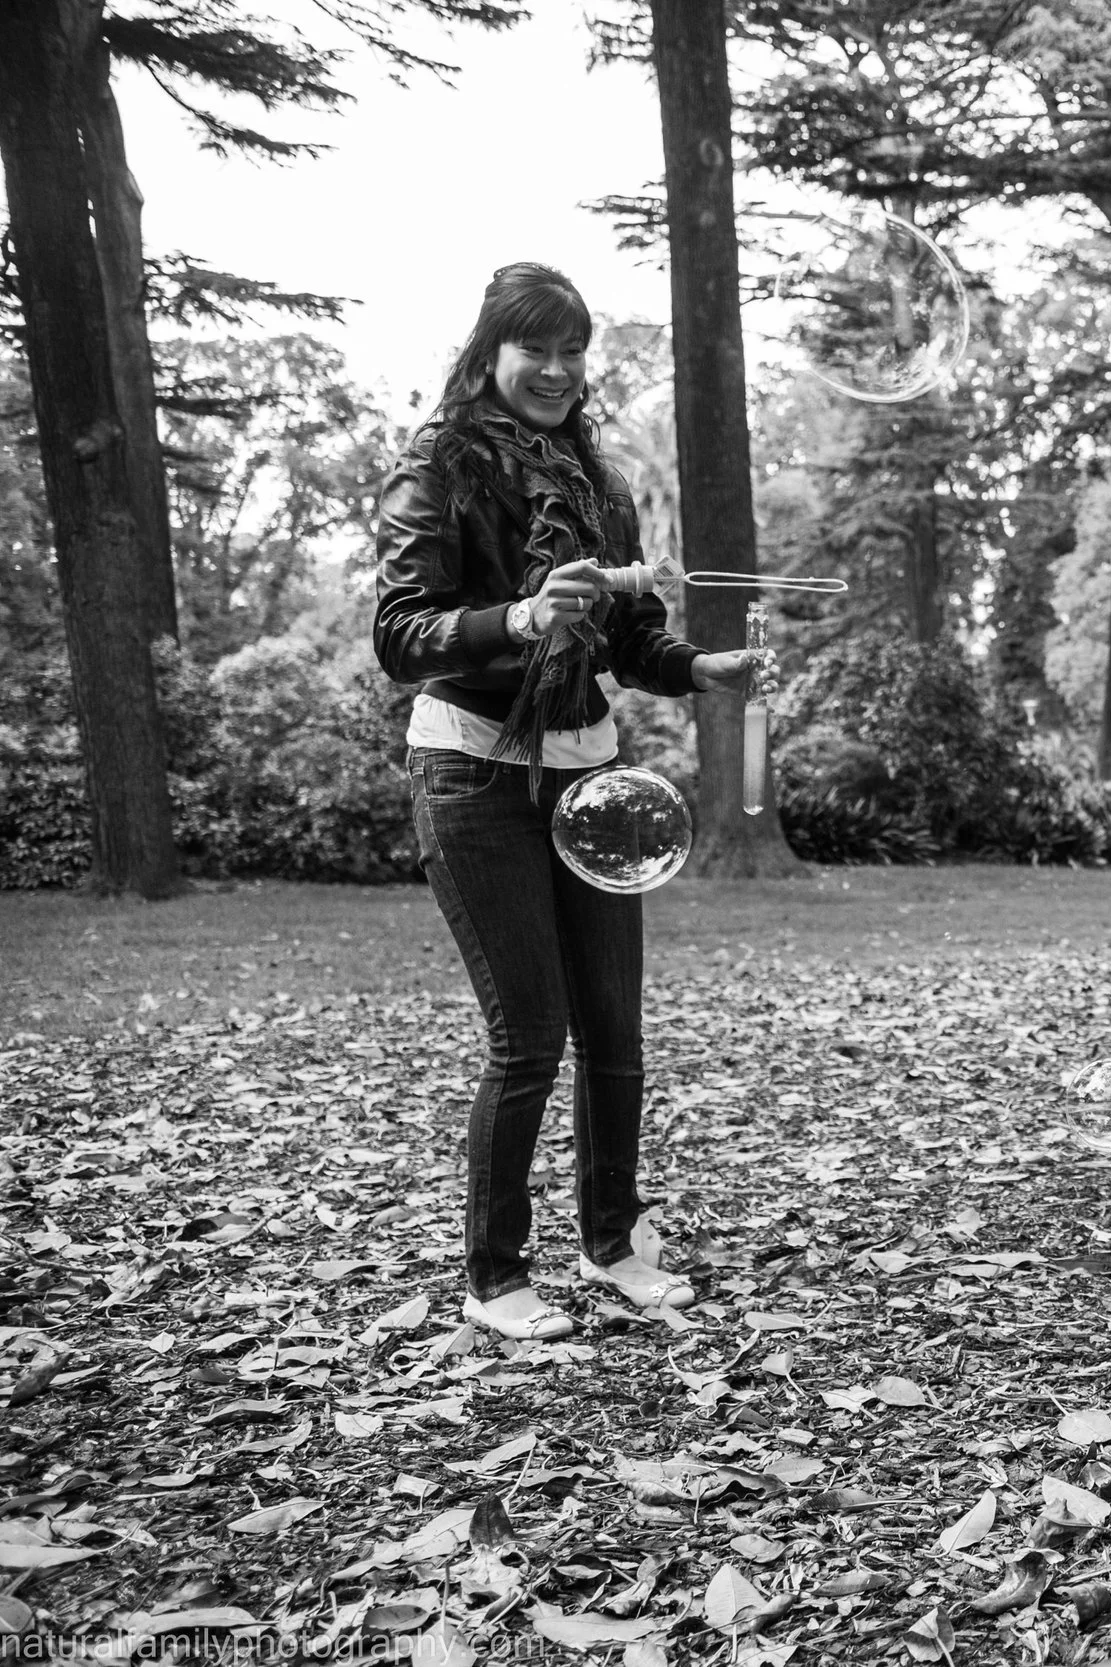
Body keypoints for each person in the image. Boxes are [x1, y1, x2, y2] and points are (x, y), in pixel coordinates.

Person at [373, 263, 764, 1342]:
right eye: (533, 348)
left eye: (571, 349)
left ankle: (610, 1242)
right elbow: (402, 634)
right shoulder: (436, 469)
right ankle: (494, 1276)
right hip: (472, 767)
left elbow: (630, 642)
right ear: (489, 352)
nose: (554, 369)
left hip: (587, 770)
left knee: (614, 1027)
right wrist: (517, 619)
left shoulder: (600, 482)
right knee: (529, 1034)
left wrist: (702, 669)